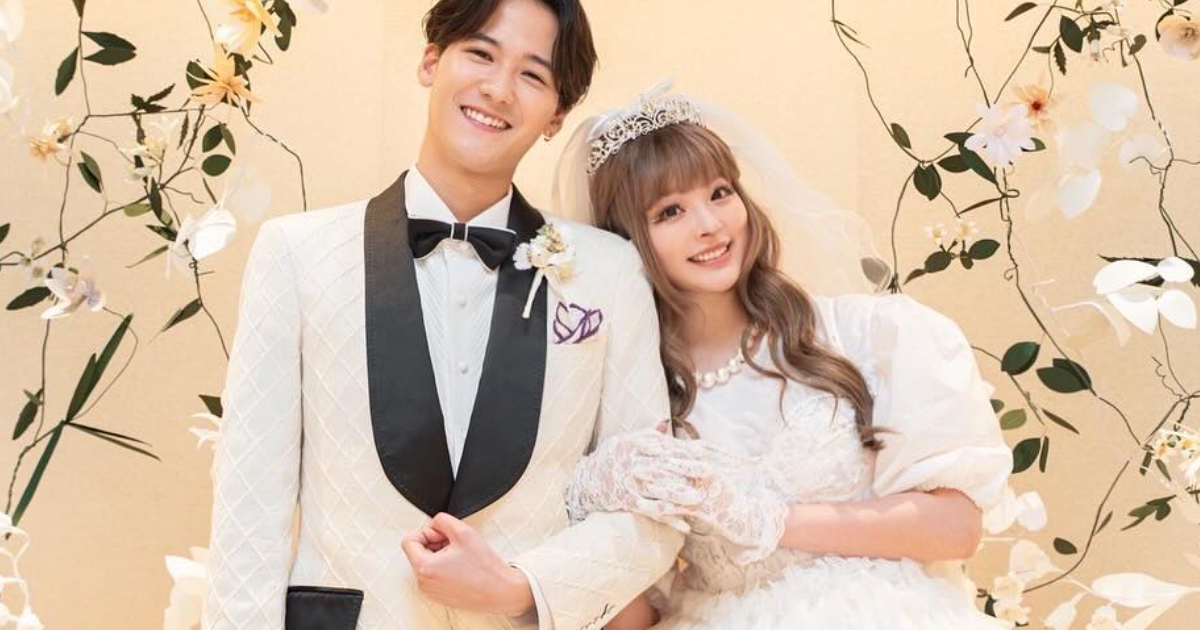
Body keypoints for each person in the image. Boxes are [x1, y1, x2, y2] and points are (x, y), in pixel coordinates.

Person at [201, 3, 690, 629]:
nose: (498, 89)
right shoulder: (296, 254)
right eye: (481, 54)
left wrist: (521, 588)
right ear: (431, 60)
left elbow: (651, 513)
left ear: (557, 113)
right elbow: (248, 506)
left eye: (532, 75)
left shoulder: (610, 271)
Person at [555, 85, 1015, 629]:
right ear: (626, 240)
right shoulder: (637, 400)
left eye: (720, 192)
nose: (710, 224)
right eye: (670, 211)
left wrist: (770, 520)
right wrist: (584, 507)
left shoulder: (864, 334)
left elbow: (956, 528)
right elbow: (636, 611)